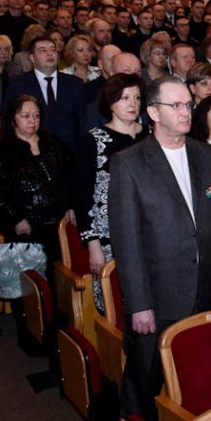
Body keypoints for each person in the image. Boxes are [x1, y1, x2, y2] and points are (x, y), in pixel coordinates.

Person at [109, 77, 211, 421]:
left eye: (188, 105)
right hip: (158, 296)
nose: (185, 112)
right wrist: (139, 304)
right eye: (176, 106)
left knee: (200, 378)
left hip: (207, 291)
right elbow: (127, 241)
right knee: (144, 384)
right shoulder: (129, 163)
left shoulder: (207, 155)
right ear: (153, 112)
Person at [0, 95, 72, 345]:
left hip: (57, 226)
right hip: (25, 228)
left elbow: (71, 176)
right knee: (28, 288)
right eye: (25, 115)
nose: (32, 121)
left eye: (36, 115)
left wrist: (71, 205)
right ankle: (30, 334)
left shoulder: (53, 143)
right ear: (13, 119)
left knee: (58, 284)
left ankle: (57, 335)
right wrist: (16, 218)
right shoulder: (1, 152)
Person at [73, 74, 146, 313]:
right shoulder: (93, 140)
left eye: (136, 97)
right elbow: (82, 197)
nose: (132, 103)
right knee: (116, 302)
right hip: (109, 234)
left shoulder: (151, 136)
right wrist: (93, 244)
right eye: (125, 98)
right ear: (111, 102)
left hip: (150, 228)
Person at [4, 32, 86, 150]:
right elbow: (9, 122)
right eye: (43, 50)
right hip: (31, 152)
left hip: (70, 151)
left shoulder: (75, 84)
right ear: (32, 58)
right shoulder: (17, 84)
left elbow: (83, 121)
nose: (50, 54)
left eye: (53, 50)